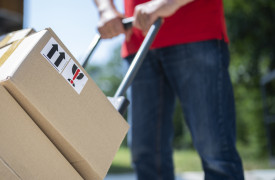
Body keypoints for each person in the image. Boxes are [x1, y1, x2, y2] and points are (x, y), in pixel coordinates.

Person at [93, 0, 244, 179]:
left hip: (195, 30)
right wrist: (106, 9)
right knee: (145, 156)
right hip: (138, 42)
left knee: (216, 153)